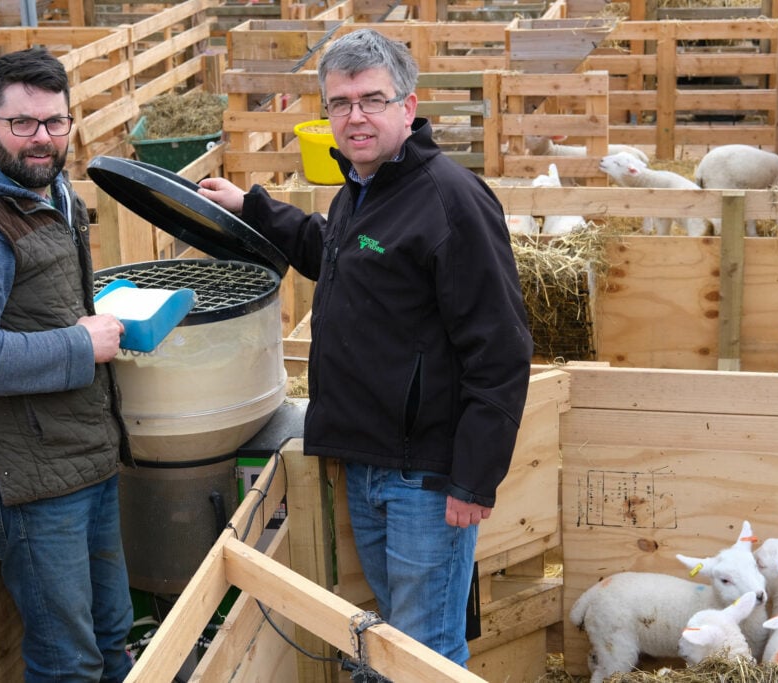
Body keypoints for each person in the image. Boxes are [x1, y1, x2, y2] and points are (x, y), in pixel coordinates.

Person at [198, 29, 533, 667]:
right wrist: (254, 208)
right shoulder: (361, 187)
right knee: (393, 636)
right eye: (341, 103)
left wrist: (474, 477)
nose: (356, 116)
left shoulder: (449, 200)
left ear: (408, 107)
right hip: (368, 460)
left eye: (372, 100)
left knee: (424, 649)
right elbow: (339, 255)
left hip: (427, 478)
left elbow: (502, 347)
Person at [0, 47, 135, 682]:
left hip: (83, 453)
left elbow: (49, 305)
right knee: (67, 660)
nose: (43, 138)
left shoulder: (51, 191)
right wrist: (79, 344)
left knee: (111, 632)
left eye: (55, 122)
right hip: (26, 480)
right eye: (23, 124)